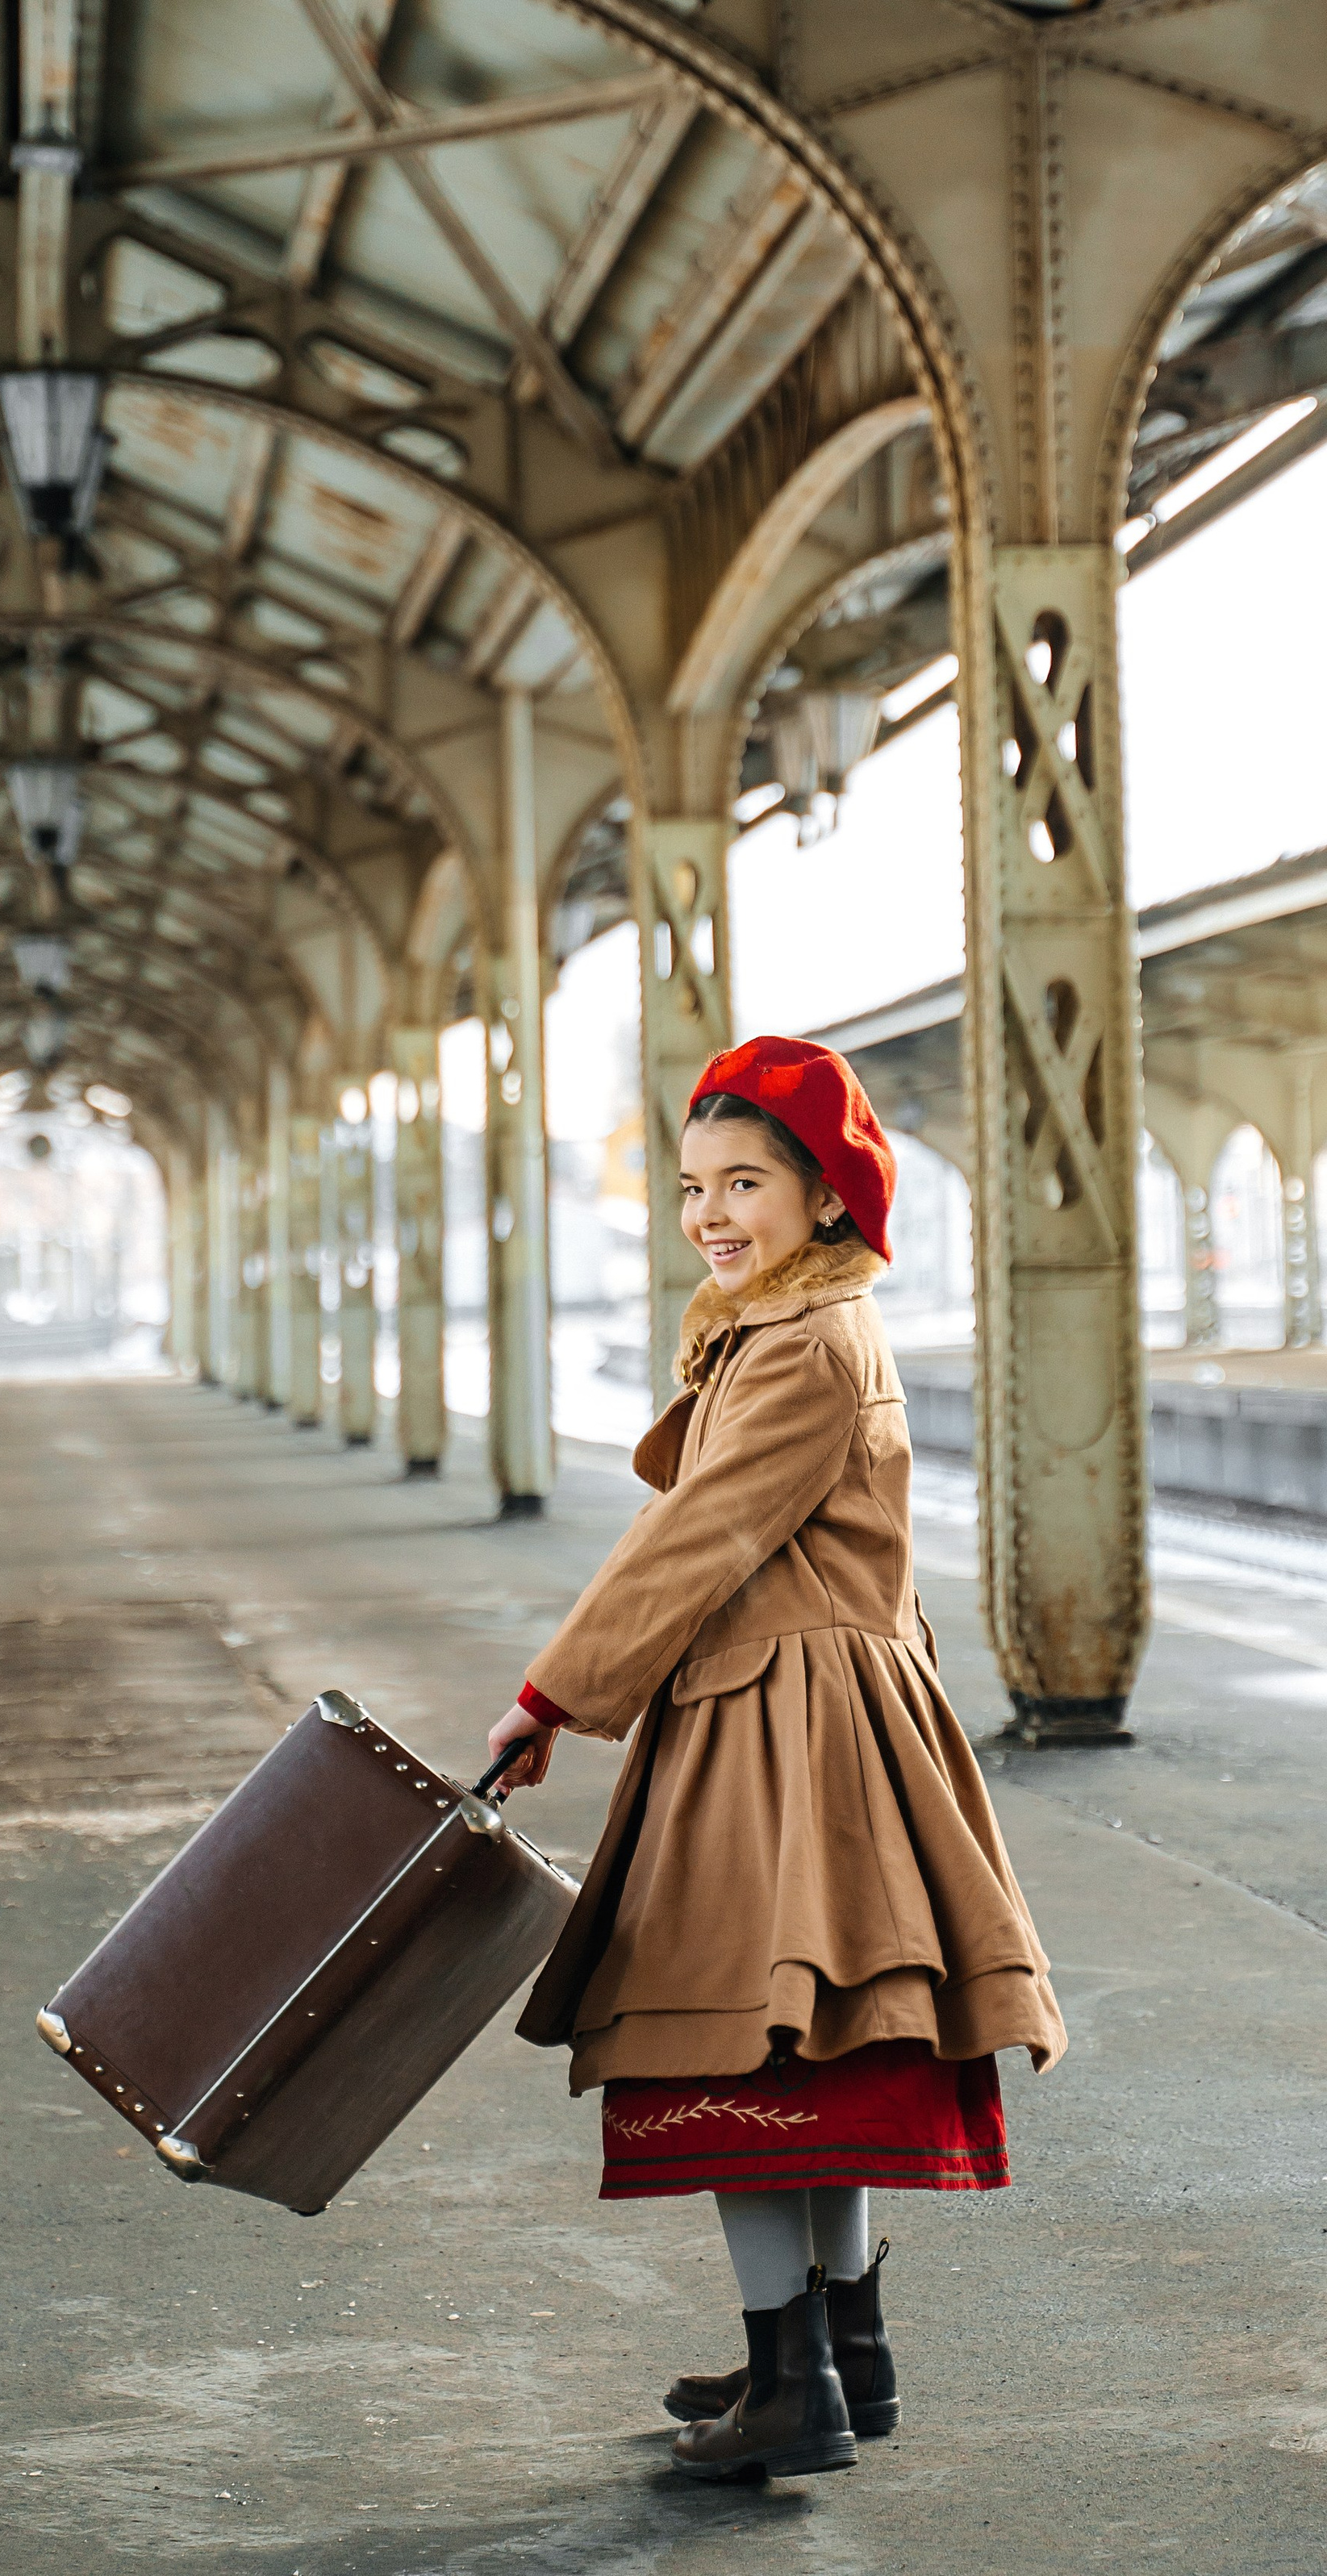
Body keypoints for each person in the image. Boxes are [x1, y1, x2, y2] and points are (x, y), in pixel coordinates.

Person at [486, 1034, 1067, 2486]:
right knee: (815, 2052)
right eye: (693, 1188)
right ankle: (832, 2358)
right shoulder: (793, 1331)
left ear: (825, 1197)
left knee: (722, 2037)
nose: (712, 1214)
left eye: (745, 1182)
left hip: (777, 1731)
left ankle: (793, 2382)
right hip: (812, 1715)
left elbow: (694, 1540)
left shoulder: (804, 1346)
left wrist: (550, 1698)